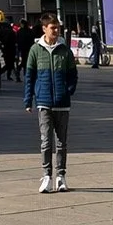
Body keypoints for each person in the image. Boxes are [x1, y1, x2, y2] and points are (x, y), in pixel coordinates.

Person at [23, 12, 78, 193]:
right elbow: (29, 76)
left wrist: (68, 90)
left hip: (62, 102)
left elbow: (73, 75)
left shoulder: (65, 50)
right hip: (44, 102)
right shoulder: (35, 50)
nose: (56, 30)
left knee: (61, 142)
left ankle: (61, 176)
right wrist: (28, 99)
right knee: (46, 141)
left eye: (57, 28)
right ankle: (47, 175)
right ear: (44, 29)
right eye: (53, 27)